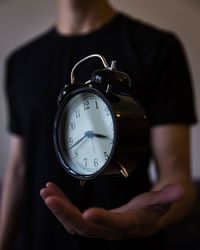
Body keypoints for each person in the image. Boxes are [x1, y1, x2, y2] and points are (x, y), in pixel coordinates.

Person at [0, 0, 197, 249]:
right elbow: (17, 169)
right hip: (39, 240)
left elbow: (176, 172)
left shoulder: (157, 47)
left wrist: (154, 214)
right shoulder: (20, 62)